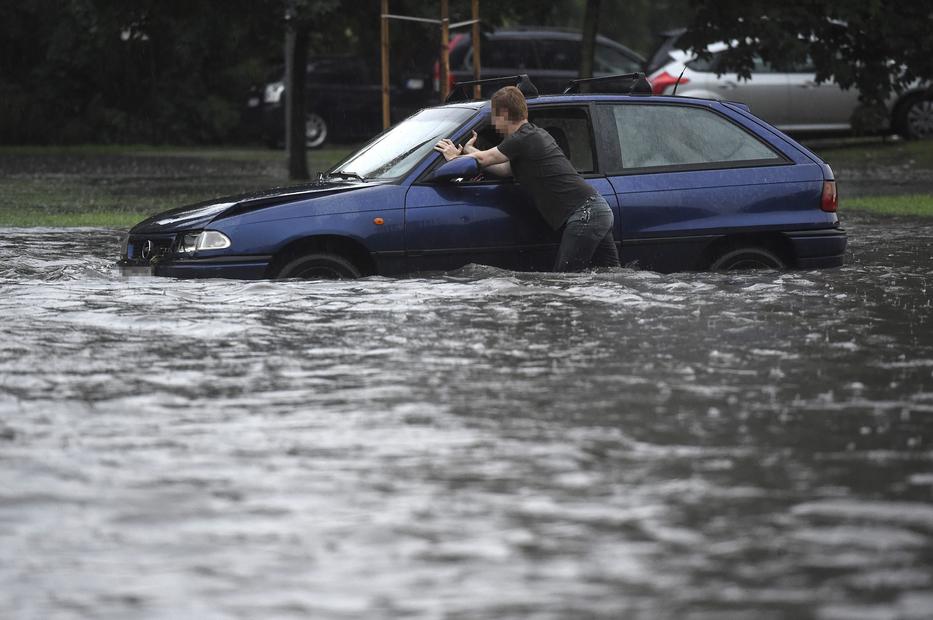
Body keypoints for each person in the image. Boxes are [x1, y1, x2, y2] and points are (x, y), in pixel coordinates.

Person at [433, 85, 620, 272]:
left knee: (566, 279)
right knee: (612, 276)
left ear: (504, 114)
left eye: (494, 117)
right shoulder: (533, 134)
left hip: (585, 215)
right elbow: (505, 169)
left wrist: (455, 159)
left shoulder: (522, 138)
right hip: (598, 210)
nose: (495, 124)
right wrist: (468, 151)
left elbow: (485, 159)